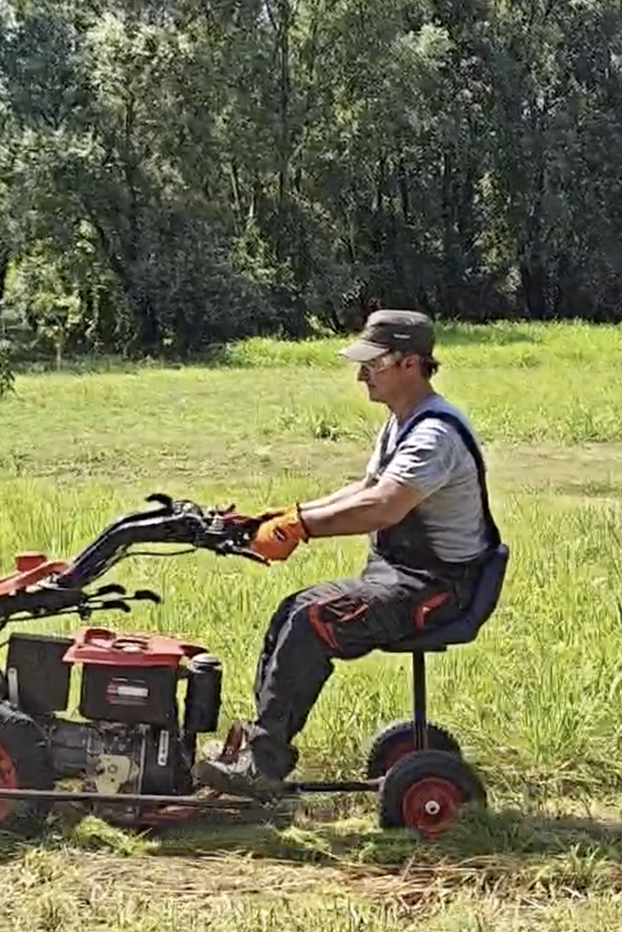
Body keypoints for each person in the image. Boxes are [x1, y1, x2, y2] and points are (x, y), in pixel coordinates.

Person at [192, 308, 501, 800]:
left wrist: (302, 528)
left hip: (437, 588)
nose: (361, 376)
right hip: (403, 576)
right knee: (291, 610)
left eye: (372, 364)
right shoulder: (403, 422)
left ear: (410, 363)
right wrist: (288, 515)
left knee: (313, 620)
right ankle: (259, 745)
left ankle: (263, 765)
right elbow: (365, 488)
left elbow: (383, 506)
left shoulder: (433, 435)